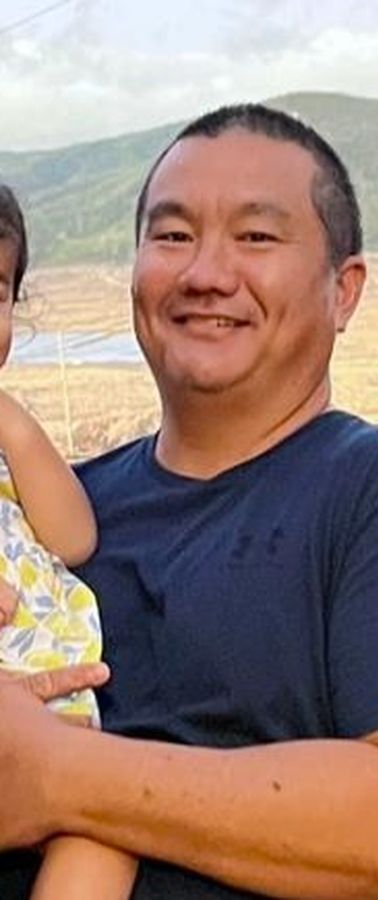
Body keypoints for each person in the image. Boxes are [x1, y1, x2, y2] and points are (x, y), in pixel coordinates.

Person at [0, 104, 378, 899]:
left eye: (255, 237)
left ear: (344, 290)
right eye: (172, 235)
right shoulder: (51, 515)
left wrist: (57, 772)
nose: (206, 272)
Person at [0, 186, 137, 898]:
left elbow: (74, 538)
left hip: (54, 720)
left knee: (108, 827)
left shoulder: (9, 442)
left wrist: (13, 425)